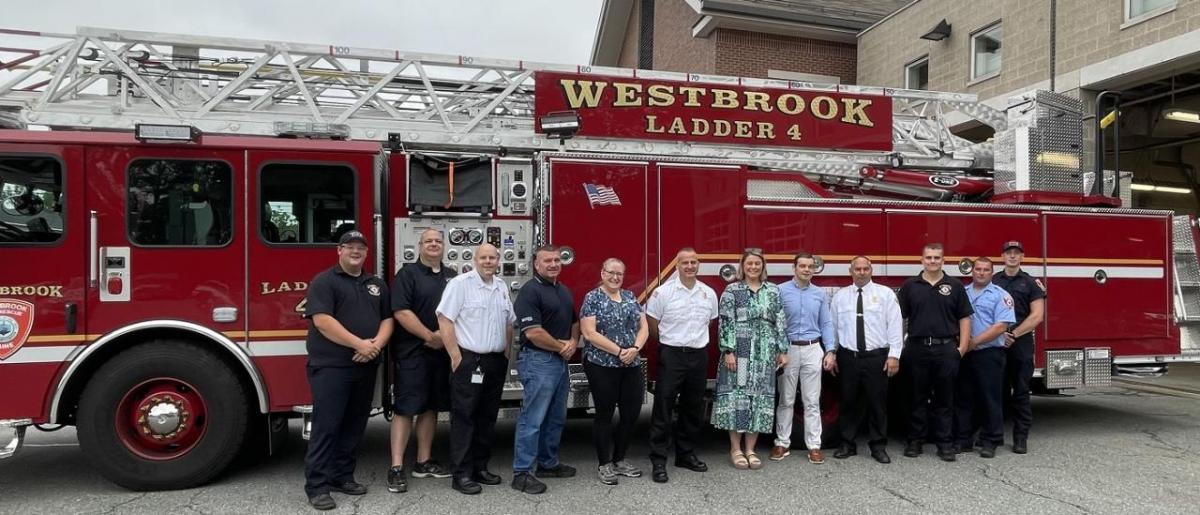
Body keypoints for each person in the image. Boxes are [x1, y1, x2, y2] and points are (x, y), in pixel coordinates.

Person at [302, 231, 393, 511]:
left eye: (361, 248)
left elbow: (387, 319)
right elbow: (323, 321)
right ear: (339, 251)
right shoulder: (324, 281)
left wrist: (375, 346)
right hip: (332, 367)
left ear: (367, 253)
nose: (356, 251)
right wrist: (359, 345)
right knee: (327, 426)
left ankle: (342, 476)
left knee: (354, 425)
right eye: (350, 247)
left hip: (365, 366)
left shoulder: (375, 283)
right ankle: (317, 486)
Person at [436, 244, 515, 495]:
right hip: (470, 360)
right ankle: (461, 474)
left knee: (487, 417)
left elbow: (509, 322)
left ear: (498, 260)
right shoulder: (460, 284)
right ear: (475, 259)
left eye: (493, 257)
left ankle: (481, 467)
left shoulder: (501, 286)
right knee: (464, 417)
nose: (488, 261)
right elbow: (444, 319)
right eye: (484, 257)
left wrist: (506, 352)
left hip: (494, 361)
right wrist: (455, 356)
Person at [386, 229, 455, 494]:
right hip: (413, 351)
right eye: (429, 241)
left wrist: (444, 339)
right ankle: (395, 467)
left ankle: (423, 461)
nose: (434, 244)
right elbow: (401, 312)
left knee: (431, 407)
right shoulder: (408, 274)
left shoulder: (452, 276)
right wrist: (429, 336)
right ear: (420, 246)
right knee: (406, 408)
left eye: (438, 241)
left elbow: (459, 310)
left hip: (441, 353)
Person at [646, 248, 719, 483]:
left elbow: (708, 322)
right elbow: (653, 324)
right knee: (663, 407)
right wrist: (672, 344)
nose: (689, 266)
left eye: (693, 262)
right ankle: (658, 460)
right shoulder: (662, 293)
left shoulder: (708, 293)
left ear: (699, 265)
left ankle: (685, 454)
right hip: (672, 355)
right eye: (685, 262)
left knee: (692, 407)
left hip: (698, 355)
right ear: (677, 265)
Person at [511, 245, 580, 495]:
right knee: (533, 419)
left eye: (557, 260)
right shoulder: (530, 291)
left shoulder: (562, 290)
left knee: (555, 418)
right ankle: (522, 473)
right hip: (538, 360)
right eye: (547, 261)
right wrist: (561, 347)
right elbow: (533, 333)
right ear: (536, 265)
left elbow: (575, 321)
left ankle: (547, 464)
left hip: (559, 362)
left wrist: (573, 342)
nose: (553, 264)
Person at [712, 249, 789, 470]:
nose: (753, 267)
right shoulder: (732, 290)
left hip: (765, 353)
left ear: (763, 266)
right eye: (749, 264)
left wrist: (783, 349)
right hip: (741, 351)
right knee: (739, 398)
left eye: (757, 264)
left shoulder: (773, 290)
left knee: (760, 398)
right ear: (742, 266)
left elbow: (780, 320)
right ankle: (735, 449)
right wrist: (728, 350)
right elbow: (726, 321)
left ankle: (750, 449)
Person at [897, 243, 973, 462]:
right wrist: (900, 346)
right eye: (928, 257)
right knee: (916, 398)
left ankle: (945, 443)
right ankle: (915, 441)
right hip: (916, 348)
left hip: (946, 348)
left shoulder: (955, 285)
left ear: (943, 260)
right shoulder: (910, 285)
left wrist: (962, 347)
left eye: (936, 258)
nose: (932, 261)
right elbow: (899, 318)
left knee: (945, 399)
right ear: (922, 260)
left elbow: (964, 317)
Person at [825, 256, 903, 464]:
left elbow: (895, 325)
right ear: (850, 271)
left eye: (865, 268)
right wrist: (831, 352)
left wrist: (894, 355)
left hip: (876, 357)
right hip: (849, 357)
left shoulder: (885, 294)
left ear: (871, 270)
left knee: (877, 404)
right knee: (848, 402)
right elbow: (832, 327)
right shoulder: (840, 297)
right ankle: (847, 444)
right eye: (857, 269)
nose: (861, 272)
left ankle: (878, 446)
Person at [579, 258, 649, 485]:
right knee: (605, 414)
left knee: (631, 413)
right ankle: (604, 464)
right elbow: (589, 333)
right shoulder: (592, 298)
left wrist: (635, 349)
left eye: (620, 273)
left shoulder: (630, 297)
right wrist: (620, 351)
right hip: (601, 364)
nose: (615, 277)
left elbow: (643, 326)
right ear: (602, 273)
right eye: (611, 273)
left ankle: (620, 459)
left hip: (631, 363)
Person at [771, 252, 834, 464]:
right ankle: (782, 443)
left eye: (810, 266)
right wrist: (779, 350)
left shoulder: (819, 294)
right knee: (786, 399)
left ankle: (814, 446)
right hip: (787, 350)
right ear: (794, 268)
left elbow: (826, 323)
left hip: (812, 348)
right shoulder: (780, 291)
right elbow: (775, 322)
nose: (807, 269)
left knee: (812, 401)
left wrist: (830, 351)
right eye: (803, 266)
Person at [955, 257, 1016, 458]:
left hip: (989, 353)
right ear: (972, 271)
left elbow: (1001, 326)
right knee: (964, 397)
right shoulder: (962, 293)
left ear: (992, 272)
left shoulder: (1001, 295)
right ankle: (964, 439)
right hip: (966, 354)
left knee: (990, 398)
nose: (981, 273)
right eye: (978, 269)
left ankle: (991, 439)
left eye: (986, 270)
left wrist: (974, 342)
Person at [991, 240, 1046, 455]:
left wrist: (1013, 334)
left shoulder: (1031, 283)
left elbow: (1037, 316)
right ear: (1002, 256)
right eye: (1008, 253)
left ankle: (1020, 438)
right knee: (996, 391)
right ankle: (993, 436)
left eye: (1016, 253)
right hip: (996, 341)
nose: (1012, 256)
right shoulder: (993, 281)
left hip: (1020, 342)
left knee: (1021, 393)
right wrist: (998, 334)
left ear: (1022, 257)